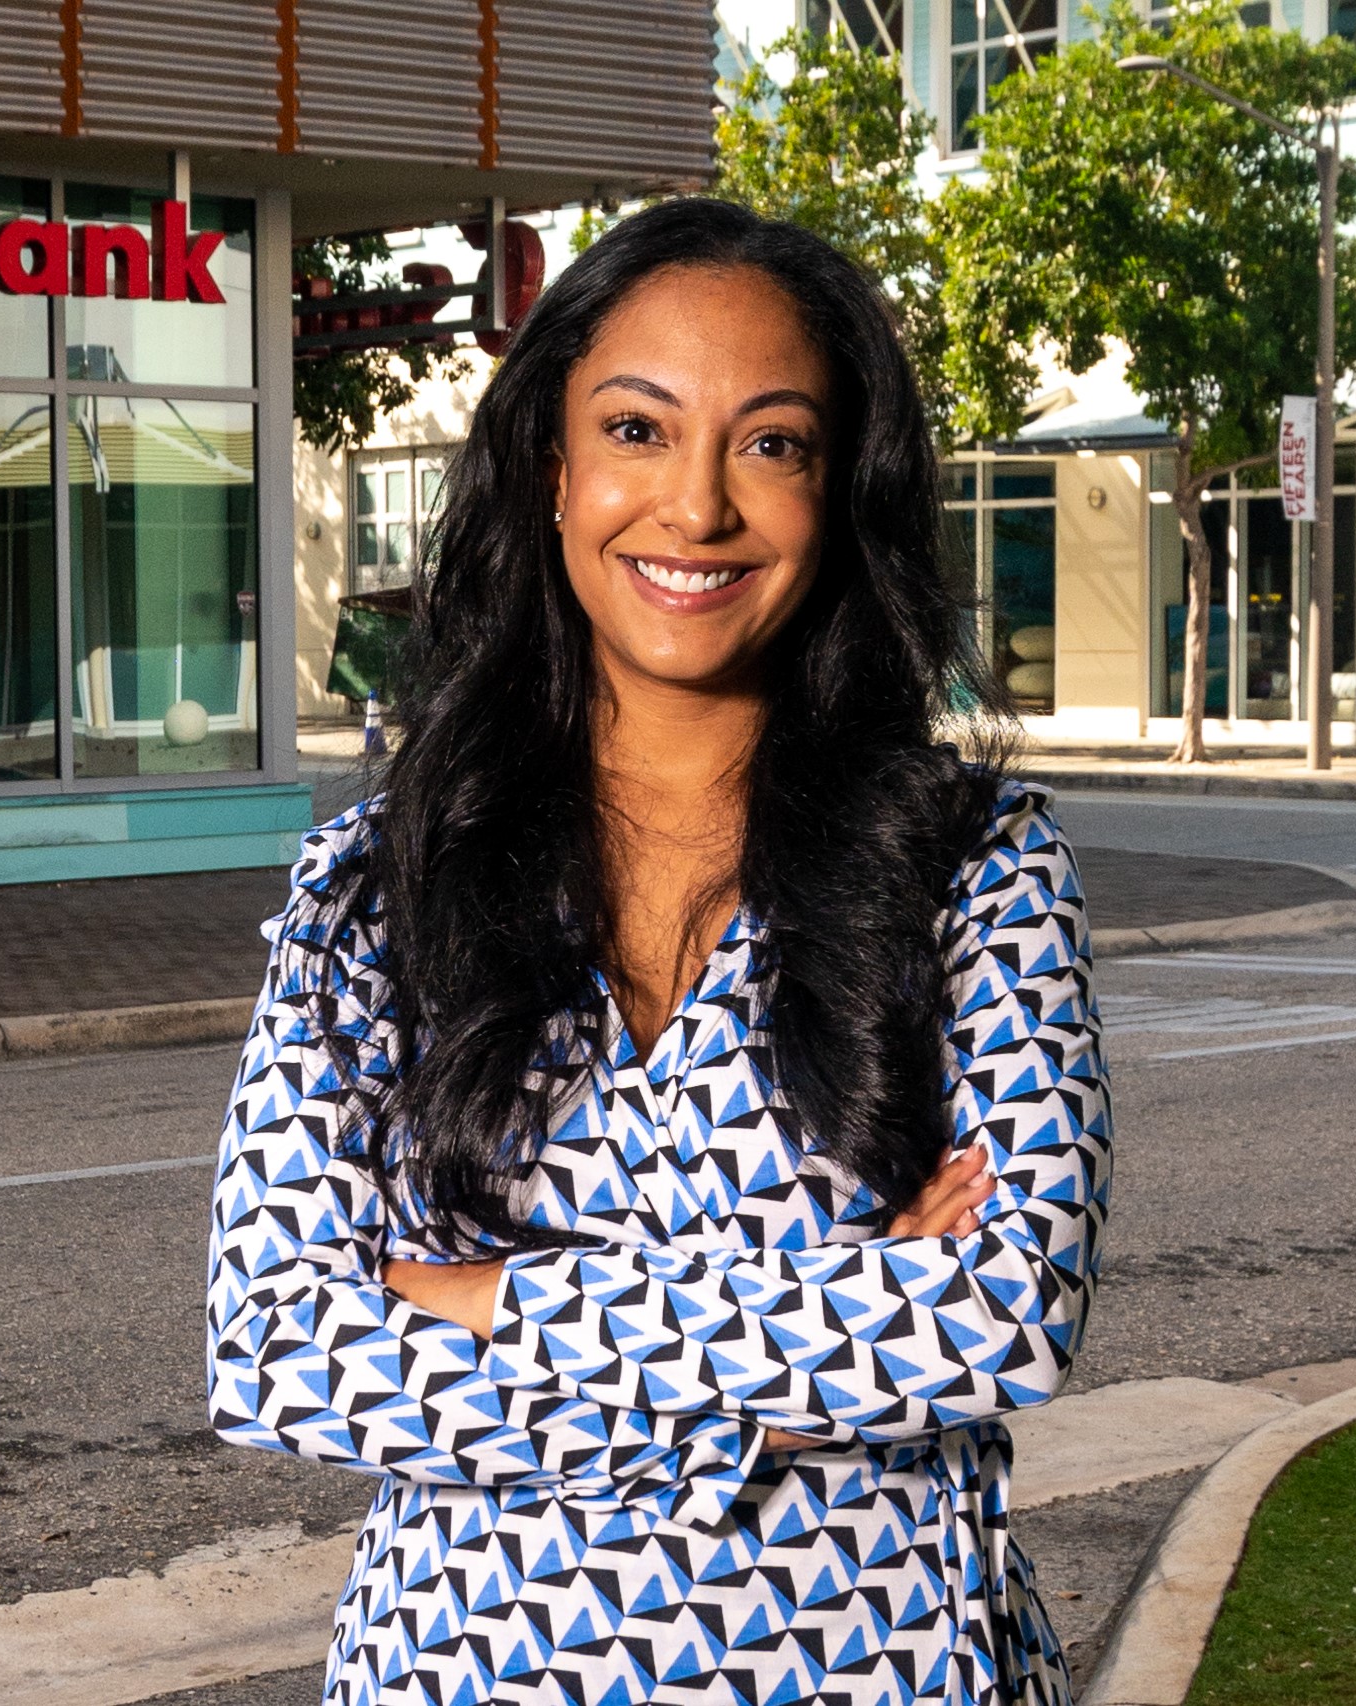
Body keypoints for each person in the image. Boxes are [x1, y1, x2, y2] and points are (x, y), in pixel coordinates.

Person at [208, 197, 1112, 1706]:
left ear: (841, 493)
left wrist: (483, 1299)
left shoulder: (972, 867)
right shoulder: (377, 885)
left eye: (771, 443)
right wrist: (823, 1334)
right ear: (553, 471)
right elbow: (284, 1343)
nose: (694, 509)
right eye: (638, 429)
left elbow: (1010, 1305)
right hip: (472, 1664)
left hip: (875, 1659)